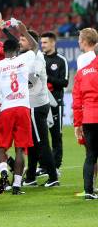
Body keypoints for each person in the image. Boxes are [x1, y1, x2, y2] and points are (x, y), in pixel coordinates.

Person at [0, 20, 38, 195]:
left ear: (4, 51)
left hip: (6, 108)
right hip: (22, 107)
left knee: (1, 146)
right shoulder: (25, 58)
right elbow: (35, 46)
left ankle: (2, 171)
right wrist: (22, 29)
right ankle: (16, 185)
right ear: (17, 49)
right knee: (20, 148)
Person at [20, 30, 59, 188]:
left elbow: (33, 77)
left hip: (36, 105)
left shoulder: (37, 57)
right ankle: (30, 177)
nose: (20, 42)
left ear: (30, 42)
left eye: (23, 40)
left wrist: (19, 77)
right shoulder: (30, 56)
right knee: (34, 143)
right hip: (35, 103)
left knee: (42, 142)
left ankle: (53, 176)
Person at [40, 32, 69, 175]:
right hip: (41, 103)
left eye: (45, 42)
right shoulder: (39, 59)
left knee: (56, 136)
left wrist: (47, 77)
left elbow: (64, 82)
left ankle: (56, 166)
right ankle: (44, 166)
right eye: (41, 42)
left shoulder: (61, 60)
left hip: (56, 103)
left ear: (53, 43)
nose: (42, 45)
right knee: (41, 136)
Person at [72, 44, 98, 200]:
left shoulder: (82, 72)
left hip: (88, 118)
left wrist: (77, 123)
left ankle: (88, 191)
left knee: (90, 155)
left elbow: (76, 100)